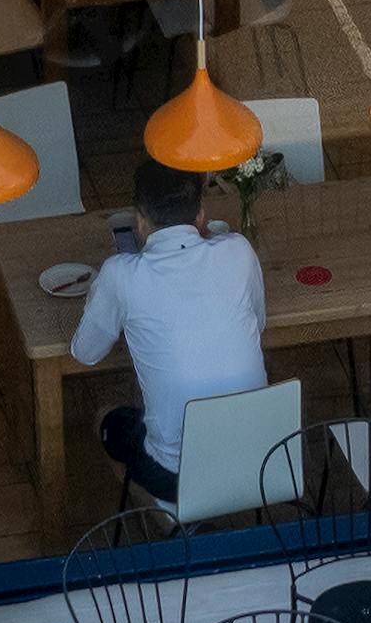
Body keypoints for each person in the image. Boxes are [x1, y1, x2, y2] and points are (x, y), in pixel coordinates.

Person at [70, 182, 273, 514]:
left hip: (178, 477)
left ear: (140, 222)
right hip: (264, 460)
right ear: (201, 215)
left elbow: (85, 353)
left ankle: (169, 518)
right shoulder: (239, 250)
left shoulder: (121, 274)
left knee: (107, 418)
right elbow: (258, 323)